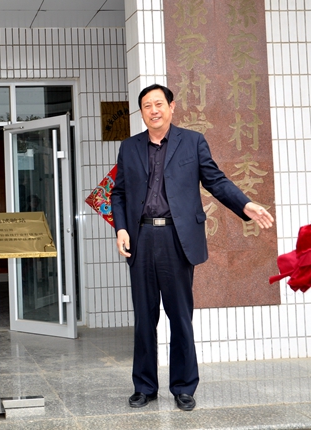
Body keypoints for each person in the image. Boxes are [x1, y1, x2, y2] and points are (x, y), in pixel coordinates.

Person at [110, 84, 274, 412]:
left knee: (180, 316)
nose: (153, 110)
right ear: (141, 112)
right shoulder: (129, 147)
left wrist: (245, 204)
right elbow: (119, 193)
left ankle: (184, 387)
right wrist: (122, 228)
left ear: (171, 107)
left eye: (159, 104)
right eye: (147, 106)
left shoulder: (193, 142)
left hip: (177, 238)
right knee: (144, 318)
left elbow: (216, 180)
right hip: (141, 239)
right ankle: (144, 387)